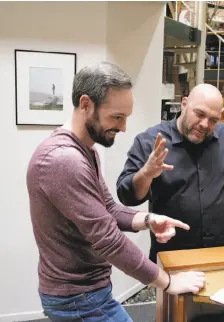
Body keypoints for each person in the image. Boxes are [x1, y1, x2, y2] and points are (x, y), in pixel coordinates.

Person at [26, 62, 205, 322]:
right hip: (78, 298)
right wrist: (167, 282)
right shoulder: (64, 160)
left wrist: (148, 220)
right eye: (116, 117)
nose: (123, 128)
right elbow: (108, 239)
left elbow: (108, 208)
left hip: (87, 292)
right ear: (86, 104)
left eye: (126, 118)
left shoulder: (85, 150)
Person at [117, 83, 224, 263]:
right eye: (200, 114)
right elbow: (127, 195)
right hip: (173, 254)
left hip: (223, 250)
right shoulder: (150, 141)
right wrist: (146, 174)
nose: (205, 124)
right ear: (184, 104)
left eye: (213, 120)